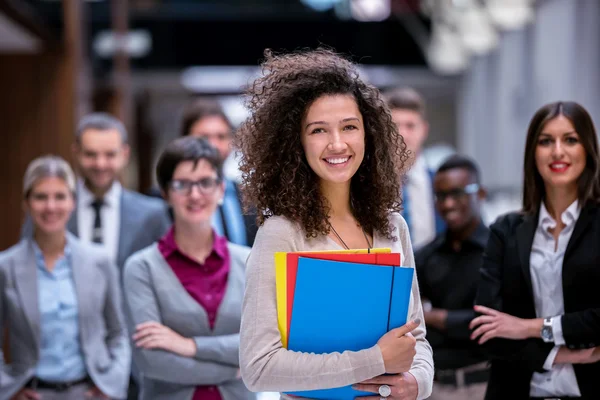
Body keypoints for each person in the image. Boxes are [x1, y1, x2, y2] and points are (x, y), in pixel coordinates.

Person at [236, 49, 434, 400]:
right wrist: (374, 360)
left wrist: (417, 383)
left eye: (349, 127)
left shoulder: (392, 226)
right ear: (296, 142)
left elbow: (417, 339)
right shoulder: (281, 233)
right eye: (318, 130)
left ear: (369, 134)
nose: (337, 143)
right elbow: (259, 367)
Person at [470, 101, 600, 399]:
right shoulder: (506, 230)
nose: (557, 151)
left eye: (570, 139)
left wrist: (529, 327)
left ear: (587, 149)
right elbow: (486, 333)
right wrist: (565, 354)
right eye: (546, 141)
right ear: (533, 152)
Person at [123, 137, 255, 400]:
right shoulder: (141, 268)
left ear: (220, 190)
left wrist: (187, 345)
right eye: (182, 184)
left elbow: (258, 347)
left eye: (205, 183)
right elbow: (152, 361)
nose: (195, 195)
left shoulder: (249, 262)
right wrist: (233, 370)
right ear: (165, 193)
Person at [0, 156, 130, 400]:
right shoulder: (5, 267)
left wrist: (111, 385)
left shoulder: (99, 261)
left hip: (90, 393)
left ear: (73, 202)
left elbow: (118, 332)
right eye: (40, 197)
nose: (51, 206)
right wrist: (8, 390)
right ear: (26, 203)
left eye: (60, 196)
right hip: (33, 393)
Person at [415, 155, 489, 400]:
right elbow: (414, 321)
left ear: (480, 194)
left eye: (457, 194)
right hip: (434, 387)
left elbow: (494, 322)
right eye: (440, 196)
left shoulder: (500, 251)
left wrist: (434, 316)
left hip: (485, 384)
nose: (447, 204)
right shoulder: (426, 255)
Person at [149, 99, 257, 246]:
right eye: (204, 137)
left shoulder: (250, 198)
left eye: (221, 136)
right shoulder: (157, 200)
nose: (213, 145)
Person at [385, 87, 445, 250]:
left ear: (424, 130)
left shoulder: (441, 183)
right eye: (395, 126)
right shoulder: (364, 184)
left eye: (410, 126)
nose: (402, 134)